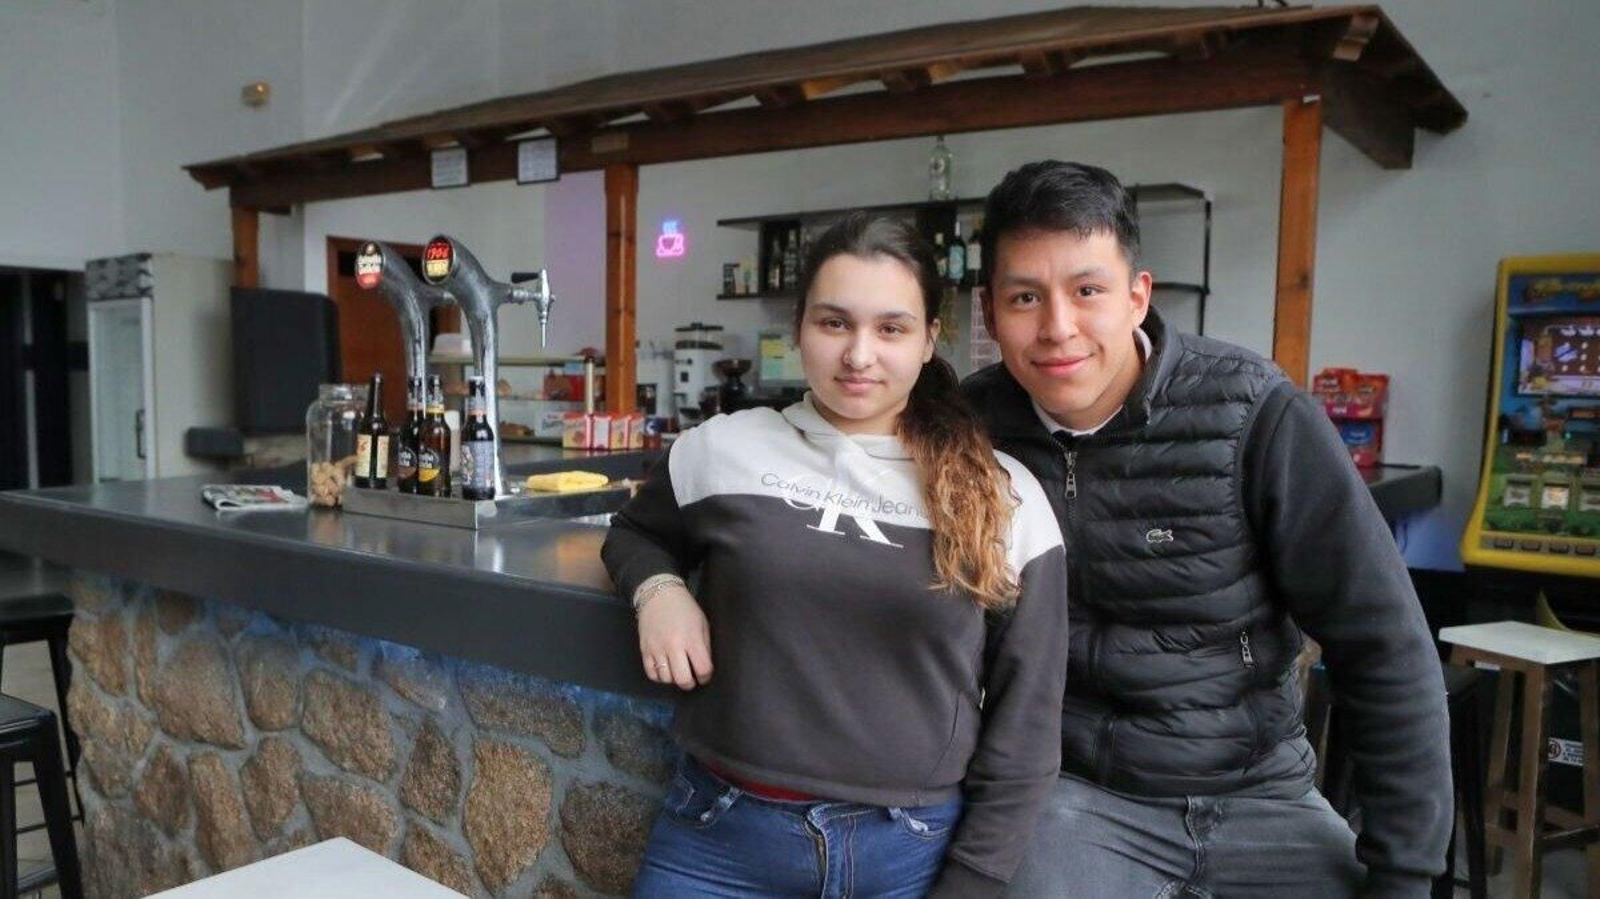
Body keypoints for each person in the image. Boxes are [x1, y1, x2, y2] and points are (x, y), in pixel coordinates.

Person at [960, 161, 1451, 898]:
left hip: (1260, 790)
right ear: (990, 314)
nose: (1058, 327)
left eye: (1087, 290)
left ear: (1137, 296)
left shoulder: (1255, 414)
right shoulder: (964, 435)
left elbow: (1382, 643)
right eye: (1025, 296)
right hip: (1074, 797)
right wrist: (711, 592)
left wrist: (1406, 872)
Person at [602, 213, 1069, 898]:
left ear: (929, 339)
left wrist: (974, 879)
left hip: (908, 854)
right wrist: (659, 591)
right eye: (834, 323)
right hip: (717, 839)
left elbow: (1026, 724)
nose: (859, 355)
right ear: (799, 329)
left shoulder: (1005, 496)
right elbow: (632, 532)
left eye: (890, 328)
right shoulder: (723, 448)